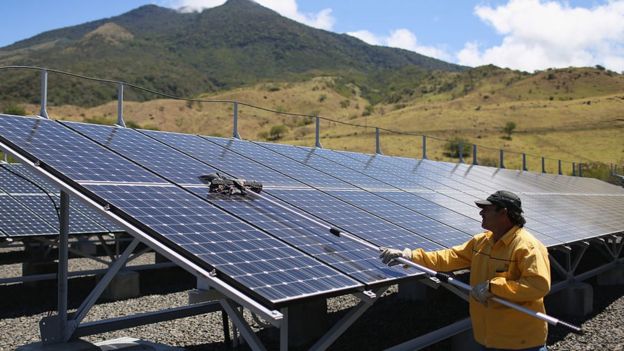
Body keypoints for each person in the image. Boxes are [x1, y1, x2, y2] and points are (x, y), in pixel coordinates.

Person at [380, 190, 551, 351]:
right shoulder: (481, 242)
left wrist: (493, 288)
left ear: (503, 213)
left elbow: (538, 286)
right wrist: (408, 256)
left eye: (487, 209)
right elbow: (448, 257)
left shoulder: (527, 247)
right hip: (489, 338)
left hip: (522, 342)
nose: (481, 213)